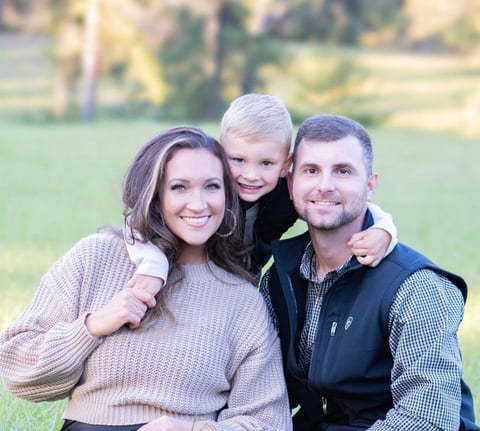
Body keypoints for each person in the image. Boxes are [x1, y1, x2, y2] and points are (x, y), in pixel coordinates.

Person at [0, 126, 292, 431]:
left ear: (228, 195)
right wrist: (93, 326)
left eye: (212, 186)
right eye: (179, 187)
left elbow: (269, 422)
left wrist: (192, 430)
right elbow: (16, 368)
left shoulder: (241, 300)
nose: (198, 203)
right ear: (153, 195)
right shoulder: (96, 258)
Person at [259, 113, 479, 431]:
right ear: (292, 184)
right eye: (311, 170)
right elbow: (259, 393)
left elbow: (428, 419)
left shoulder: (418, 289)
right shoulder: (280, 279)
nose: (325, 185)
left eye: (343, 171)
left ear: (370, 185)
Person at [126, 94, 397, 295]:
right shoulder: (210, 188)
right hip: (186, 279)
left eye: (265, 164)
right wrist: (152, 266)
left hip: (245, 288)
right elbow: (137, 218)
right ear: (221, 152)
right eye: (238, 160)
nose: (251, 175)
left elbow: (351, 205)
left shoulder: (287, 193)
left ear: (285, 164)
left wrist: (384, 231)